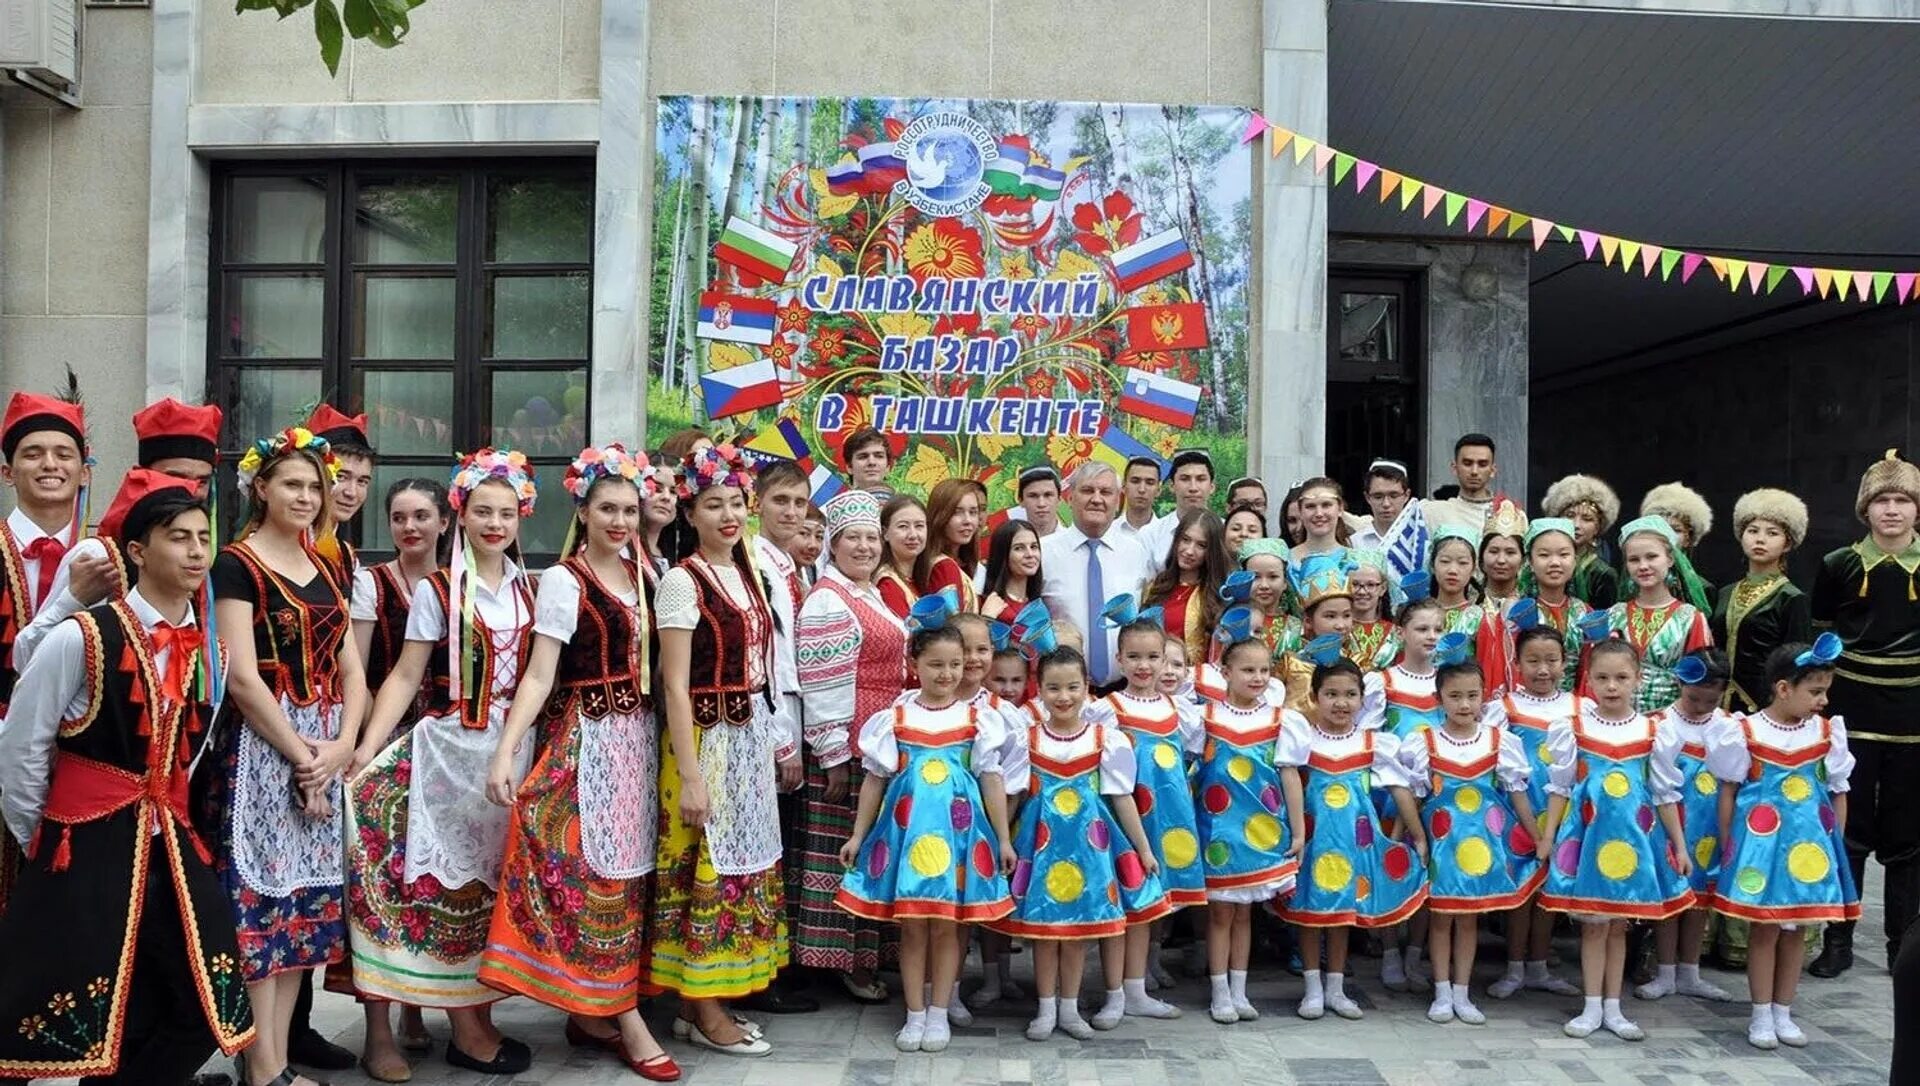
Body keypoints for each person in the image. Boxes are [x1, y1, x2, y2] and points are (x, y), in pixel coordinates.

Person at [0, 470, 251, 1086]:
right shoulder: (80, 638)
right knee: (72, 1006)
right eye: (178, 538)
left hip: (169, 841)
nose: (196, 551)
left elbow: (185, 758)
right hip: (83, 843)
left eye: (202, 537)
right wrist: (48, 835)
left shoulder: (210, 652)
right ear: (137, 551)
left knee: (200, 1001)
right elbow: (21, 749)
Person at [477, 445, 677, 1078]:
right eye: (607, 509)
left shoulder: (649, 575)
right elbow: (539, 675)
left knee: (631, 879)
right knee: (597, 879)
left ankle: (593, 1011)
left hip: (640, 745)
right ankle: (626, 1019)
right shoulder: (566, 579)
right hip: (587, 741)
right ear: (583, 511)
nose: (620, 520)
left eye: (628, 508)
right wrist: (508, 752)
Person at [346, 450, 538, 1080]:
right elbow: (405, 673)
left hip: (515, 746)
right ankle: (463, 1027)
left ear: (521, 518)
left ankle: (475, 1016)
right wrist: (368, 748)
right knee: (449, 887)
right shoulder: (438, 590)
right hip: (454, 748)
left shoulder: (531, 587)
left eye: (506, 513)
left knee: (489, 888)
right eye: (483, 510)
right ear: (462, 514)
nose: (494, 523)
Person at [200, 427, 368, 1086]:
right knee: (260, 912)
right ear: (260, 487)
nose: (305, 496)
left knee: (303, 913)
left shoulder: (326, 563)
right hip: (263, 751)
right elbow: (241, 676)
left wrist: (346, 744)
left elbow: (353, 669)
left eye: (313, 486)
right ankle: (262, 1069)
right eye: (291, 484)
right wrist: (305, 757)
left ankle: (276, 1064)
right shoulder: (235, 563)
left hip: (324, 743)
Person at [651, 444, 790, 1055]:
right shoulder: (683, 581)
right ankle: (705, 1010)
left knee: (738, 865)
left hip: (746, 738)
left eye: (736, 502)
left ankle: (699, 1004)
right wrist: (693, 775)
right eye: (714, 504)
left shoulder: (750, 570)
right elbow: (674, 685)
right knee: (702, 864)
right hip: (704, 741)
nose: (729, 514)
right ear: (692, 511)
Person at [836, 623, 1014, 1053]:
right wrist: (859, 835)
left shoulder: (979, 720)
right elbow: (876, 782)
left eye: (955, 664)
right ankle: (914, 1013)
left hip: (959, 839)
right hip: (906, 838)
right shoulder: (895, 718)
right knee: (912, 929)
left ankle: (939, 1012)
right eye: (935, 664)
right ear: (914, 664)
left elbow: (992, 781)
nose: (947, 673)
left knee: (948, 928)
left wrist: (1003, 839)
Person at [334, 477, 449, 1077]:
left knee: (434, 884)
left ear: (443, 523)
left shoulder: (463, 581)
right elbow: (358, 668)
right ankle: (380, 1028)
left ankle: (422, 1007)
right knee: (378, 887)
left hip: (446, 751)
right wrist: (359, 746)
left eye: (422, 516)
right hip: (385, 745)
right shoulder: (370, 584)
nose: (411, 527)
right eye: (400, 517)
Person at [994, 645, 1166, 1041]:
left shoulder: (1107, 740)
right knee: (1043, 934)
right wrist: (1004, 839)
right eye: (1054, 688)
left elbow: (1122, 798)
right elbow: (1013, 794)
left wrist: (1142, 849)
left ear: (1087, 688)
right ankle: (1044, 1009)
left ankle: (1069, 1010)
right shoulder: (1026, 739)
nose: (1064, 697)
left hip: (1091, 851)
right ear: (1040, 690)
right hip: (1040, 850)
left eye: (1073, 687)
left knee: (1076, 936)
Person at [1537, 639, 1694, 1041]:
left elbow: (1664, 794)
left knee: (1619, 925)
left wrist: (1678, 844)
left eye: (1621, 677)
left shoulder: (1653, 730)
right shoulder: (1573, 728)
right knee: (1592, 925)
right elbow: (1561, 787)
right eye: (1603, 677)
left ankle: (1614, 1007)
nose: (1612, 686)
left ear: (1638, 680)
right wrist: (1549, 836)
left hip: (1634, 842)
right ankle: (1591, 1007)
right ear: (1588, 680)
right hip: (1588, 840)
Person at [1707, 638, 1859, 1050]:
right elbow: (1729, 791)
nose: (1823, 700)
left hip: (1807, 852)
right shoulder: (1744, 731)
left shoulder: (1827, 733)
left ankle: (1783, 1011)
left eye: (1826, 690)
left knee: (1798, 931)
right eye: (1815, 691)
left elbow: (1837, 791)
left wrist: (1835, 847)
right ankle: (1759, 1014)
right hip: (1763, 850)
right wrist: (1728, 845)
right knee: (1766, 930)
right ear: (1783, 688)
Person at [793, 490, 907, 1004]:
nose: (863, 547)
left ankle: (864, 955)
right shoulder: (827, 601)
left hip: (876, 744)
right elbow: (822, 685)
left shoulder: (868, 594)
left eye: (869, 538)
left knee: (864, 853)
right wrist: (834, 755)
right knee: (841, 853)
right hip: (849, 749)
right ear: (832, 546)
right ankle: (842, 962)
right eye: (851, 539)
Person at [1810, 449, 1920, 977]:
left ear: (1917, 509)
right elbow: (1821, 629)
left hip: (1914, 714)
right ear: (1865, 509)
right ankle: (1838, 941)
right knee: (1847, 830)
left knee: (1908, 840)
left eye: (1902, 500)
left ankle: (1903, 944)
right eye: (1882, 500)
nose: (1892, 510)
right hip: (1851, 709)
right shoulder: (1839, 565)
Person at [13, 397, 219, 669]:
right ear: (142, 476)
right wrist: (72, 600)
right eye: (175, 475)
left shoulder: (203, 556)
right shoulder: (100, 556)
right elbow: (27, 659)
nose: (190, 490)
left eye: (201, 481)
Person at [1401, 649, 1540, 1026]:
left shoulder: (1499, 741)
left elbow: (1518, 795)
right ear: (1438, 700)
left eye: (1472, 696)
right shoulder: (1424, 742)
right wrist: (1405, 839)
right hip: (1442, 848)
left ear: (1484, 697)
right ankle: (1442, 992)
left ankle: (1463, 992)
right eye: (1455, 696)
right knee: (1442, 919)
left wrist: (1538, 839)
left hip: (1483, 849)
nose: (1464, 704)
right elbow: (1411, 798)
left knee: (1469, 921)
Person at [1281, 658, 1426, 1021]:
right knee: (1311, 915)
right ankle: (1312, 989)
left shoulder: (1373, 743)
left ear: (1364, 699)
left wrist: (1418, 834)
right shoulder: (1302, 740)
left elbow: (1399, 787)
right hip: (1314, 843)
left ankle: (1336, 988)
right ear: (1314, 697)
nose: (1341, 703)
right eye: (1331, 694)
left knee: (1344, 915)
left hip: (1353, 844)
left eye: (1350, 694)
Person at [1193, 636, 1305, 1024]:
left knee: (1245, 915)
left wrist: (1298, 830)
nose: (1257, 677)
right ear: (1226, 673)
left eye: (1263, 670)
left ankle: (1240, 991)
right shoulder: (1205, 718)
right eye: (1247, 670)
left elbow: (1289, 775)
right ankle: (1219, 992)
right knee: (1221, 915)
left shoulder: (1280, 721)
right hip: (1220, 833)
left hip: (1262, 833)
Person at [1098, 620, 1205, 1017]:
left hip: (1167, 820)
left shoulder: (1179, 710)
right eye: (1135, 657)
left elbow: (1193, 757)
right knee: (1122, 905)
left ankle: (1136, 990)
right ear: (1119, 659)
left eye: (1153, 657)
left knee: (1149, 905)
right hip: (1124, 822)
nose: (1144, 666)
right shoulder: (1107, 710)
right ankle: (1113, 994)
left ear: (1165, 660)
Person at [747, 461, 821, 1017]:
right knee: (765, 848)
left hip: (789, 715)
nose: (792, 513)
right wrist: (784, 741)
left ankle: (774, 964)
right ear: (758, 503)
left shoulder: (792, 565)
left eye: (799, 503)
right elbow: (773, 660)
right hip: (771, 718)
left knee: (783, 847)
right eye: (781, 502)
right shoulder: (757, 562)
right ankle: (757, 973)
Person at [1481, 625, 1583, 1000]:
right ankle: (1513, 968)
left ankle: (1539, 966)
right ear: (1517, 663)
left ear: (1565, 662)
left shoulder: (1579, 708)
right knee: (1521, 890)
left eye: (1552, 661)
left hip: (1563, 811)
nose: (1543, 670)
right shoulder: (1504, 708)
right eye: (1533, 661)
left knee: (1548, 892)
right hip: (1516, 812)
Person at [1637, 650, 1736, 1006]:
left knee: (1700, 901)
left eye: (1710, 700)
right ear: (1679, 683)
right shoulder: (1659, 724)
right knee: (1673, 896)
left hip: (1710, 825)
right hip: (1670, 823)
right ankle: (1664, 971)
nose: (1700, 706)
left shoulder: (1728, 725)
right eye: (1693, 698)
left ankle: (1690, 971)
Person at [1040, 461, 1153, 690]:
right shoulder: (1043, 552)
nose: (1097, 499)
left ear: (1118, 500)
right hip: (1063, 693)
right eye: (1088, 490)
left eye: (1106, 492)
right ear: (1069, 498)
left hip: (1125, 690)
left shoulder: (1138, 552)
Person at [1714, 489, 1811, 715]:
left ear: (1787, 544)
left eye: (1772, 533)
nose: (1760, 539)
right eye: (1753, 530)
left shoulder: (1791, 597)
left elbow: (1798, 663)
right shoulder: (1725, 593)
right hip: (1717, 707)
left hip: (1765, 708)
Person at [1604, 516, 1714, 713]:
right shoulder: (1614, 615)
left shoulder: (1690, 618)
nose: (1643, 566)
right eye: (1634, 559)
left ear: (1670, 559)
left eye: (1652, 557)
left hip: (1671, 727)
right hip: (1617, 726)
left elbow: (1702, 682)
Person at [1140, 508, 1228, 663]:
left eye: (1201, 545)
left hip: (1199, 681)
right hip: (1154, 678)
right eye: (1185, 540)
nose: (1189, 551)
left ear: (1212, 551)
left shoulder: (1220, 595)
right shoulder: (1156, 586)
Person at [1514, 518, 1592, 693]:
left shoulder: (1585, 613)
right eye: (1544, 555)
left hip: (1575, 710)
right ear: (1531, 563)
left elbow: (1590, 670)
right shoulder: (1518, 614)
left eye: (1563, 555)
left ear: (1575, 560)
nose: (1555, 562)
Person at [1430, 528, 1510, 690]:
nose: (1453, 570)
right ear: (1432, 566)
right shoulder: (1416, 613)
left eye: (1462, 563)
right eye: (1445, 561)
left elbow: (1488, 668)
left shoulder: (1481, 617)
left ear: (1474, 568)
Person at [1541, 473, 1624, 610]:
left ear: (1597, 527)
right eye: (1570, 516)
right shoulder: (1540, 563)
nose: (1576, 525)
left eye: (1587, 519)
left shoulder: (1602, 574)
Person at [1641, 482, 1715, 599]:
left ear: (1688, 539)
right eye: (1660, 528)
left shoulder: (1703, 589)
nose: (1666, 535)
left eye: (1676, 530)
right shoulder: (1637, 581)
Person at [923, 478, 986, 611]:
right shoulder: (943, 566)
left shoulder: (961, 563)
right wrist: (988, 616)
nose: (968, 520)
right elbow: (953, 627)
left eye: (973, 512)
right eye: (957, 512)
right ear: (939, 516)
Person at [1422, 435, 1498, 540]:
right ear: (1455, 468)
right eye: (1467, 463)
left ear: (1493, 470)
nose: (1474, 471)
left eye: (1482, 464)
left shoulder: (1509, 515)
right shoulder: (1432, 512)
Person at [979, 519, 1045, 626]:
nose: (1030, 554)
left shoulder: (1038, 605)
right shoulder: (990, 605)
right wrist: (987, 619)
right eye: (1019, 548)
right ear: (1002, 554)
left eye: (1033, 547)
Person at [1345, 550, 1400, 671]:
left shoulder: (1396, 634)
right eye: (1355, 584)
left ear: (1383, 588)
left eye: (1370, 585)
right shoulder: (1338, 629)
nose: (1362, 591)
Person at [876, 494, 928, 620]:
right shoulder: (887, 585)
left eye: (919, 526)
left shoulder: (920, 578)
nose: (913, 535)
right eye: (903, 526)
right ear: (885, 533)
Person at [1112, 457, 1169, 566]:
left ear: (1158, 490)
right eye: (1135, 481)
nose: (1142, 489)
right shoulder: (1107, 533)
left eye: (1150, 482)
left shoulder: (1168, 535)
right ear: (1123, 487)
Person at [1350, 459, 1413, 552]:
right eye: (1378, 497)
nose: (1386, 504)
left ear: (1406, 495)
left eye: (1393, 496)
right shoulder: (1354, 543)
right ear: (1367, 498)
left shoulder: (1420, 541)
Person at [1480, 497, 1528, 614]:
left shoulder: (1531, 605)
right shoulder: (1470, 604)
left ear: (1523, 560)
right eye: (1494, 551)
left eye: (1510, 552)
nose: (1501, 560)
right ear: (1481, 559)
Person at [1290, 477, 1352, 562]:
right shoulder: (1285, 561)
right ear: (1300, 511)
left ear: (1340, 509)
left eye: (1326, 505)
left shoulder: (1358, 561)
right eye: (1310, 506)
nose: (1319, 513)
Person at [841, 427, 897, 499]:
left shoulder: (903, 507)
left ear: (888, 467)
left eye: (879, 456)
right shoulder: (832, 507)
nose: (871, 462)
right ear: (849, 467)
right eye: (863, 457)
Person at [1017, 464, 1063, 539]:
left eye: (1048, 495)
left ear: (1059, 499)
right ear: (1021, 501)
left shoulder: (1076, 543)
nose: (1041, 504)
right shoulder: (1010, 545)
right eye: (1033, 496)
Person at [1167, 449, 1216, 518]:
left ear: (1212, 487)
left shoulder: (1226, 528)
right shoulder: (1155, 528)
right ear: (1172, 486)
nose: (1193, 488)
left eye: (1201, 479)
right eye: (1184, 479)